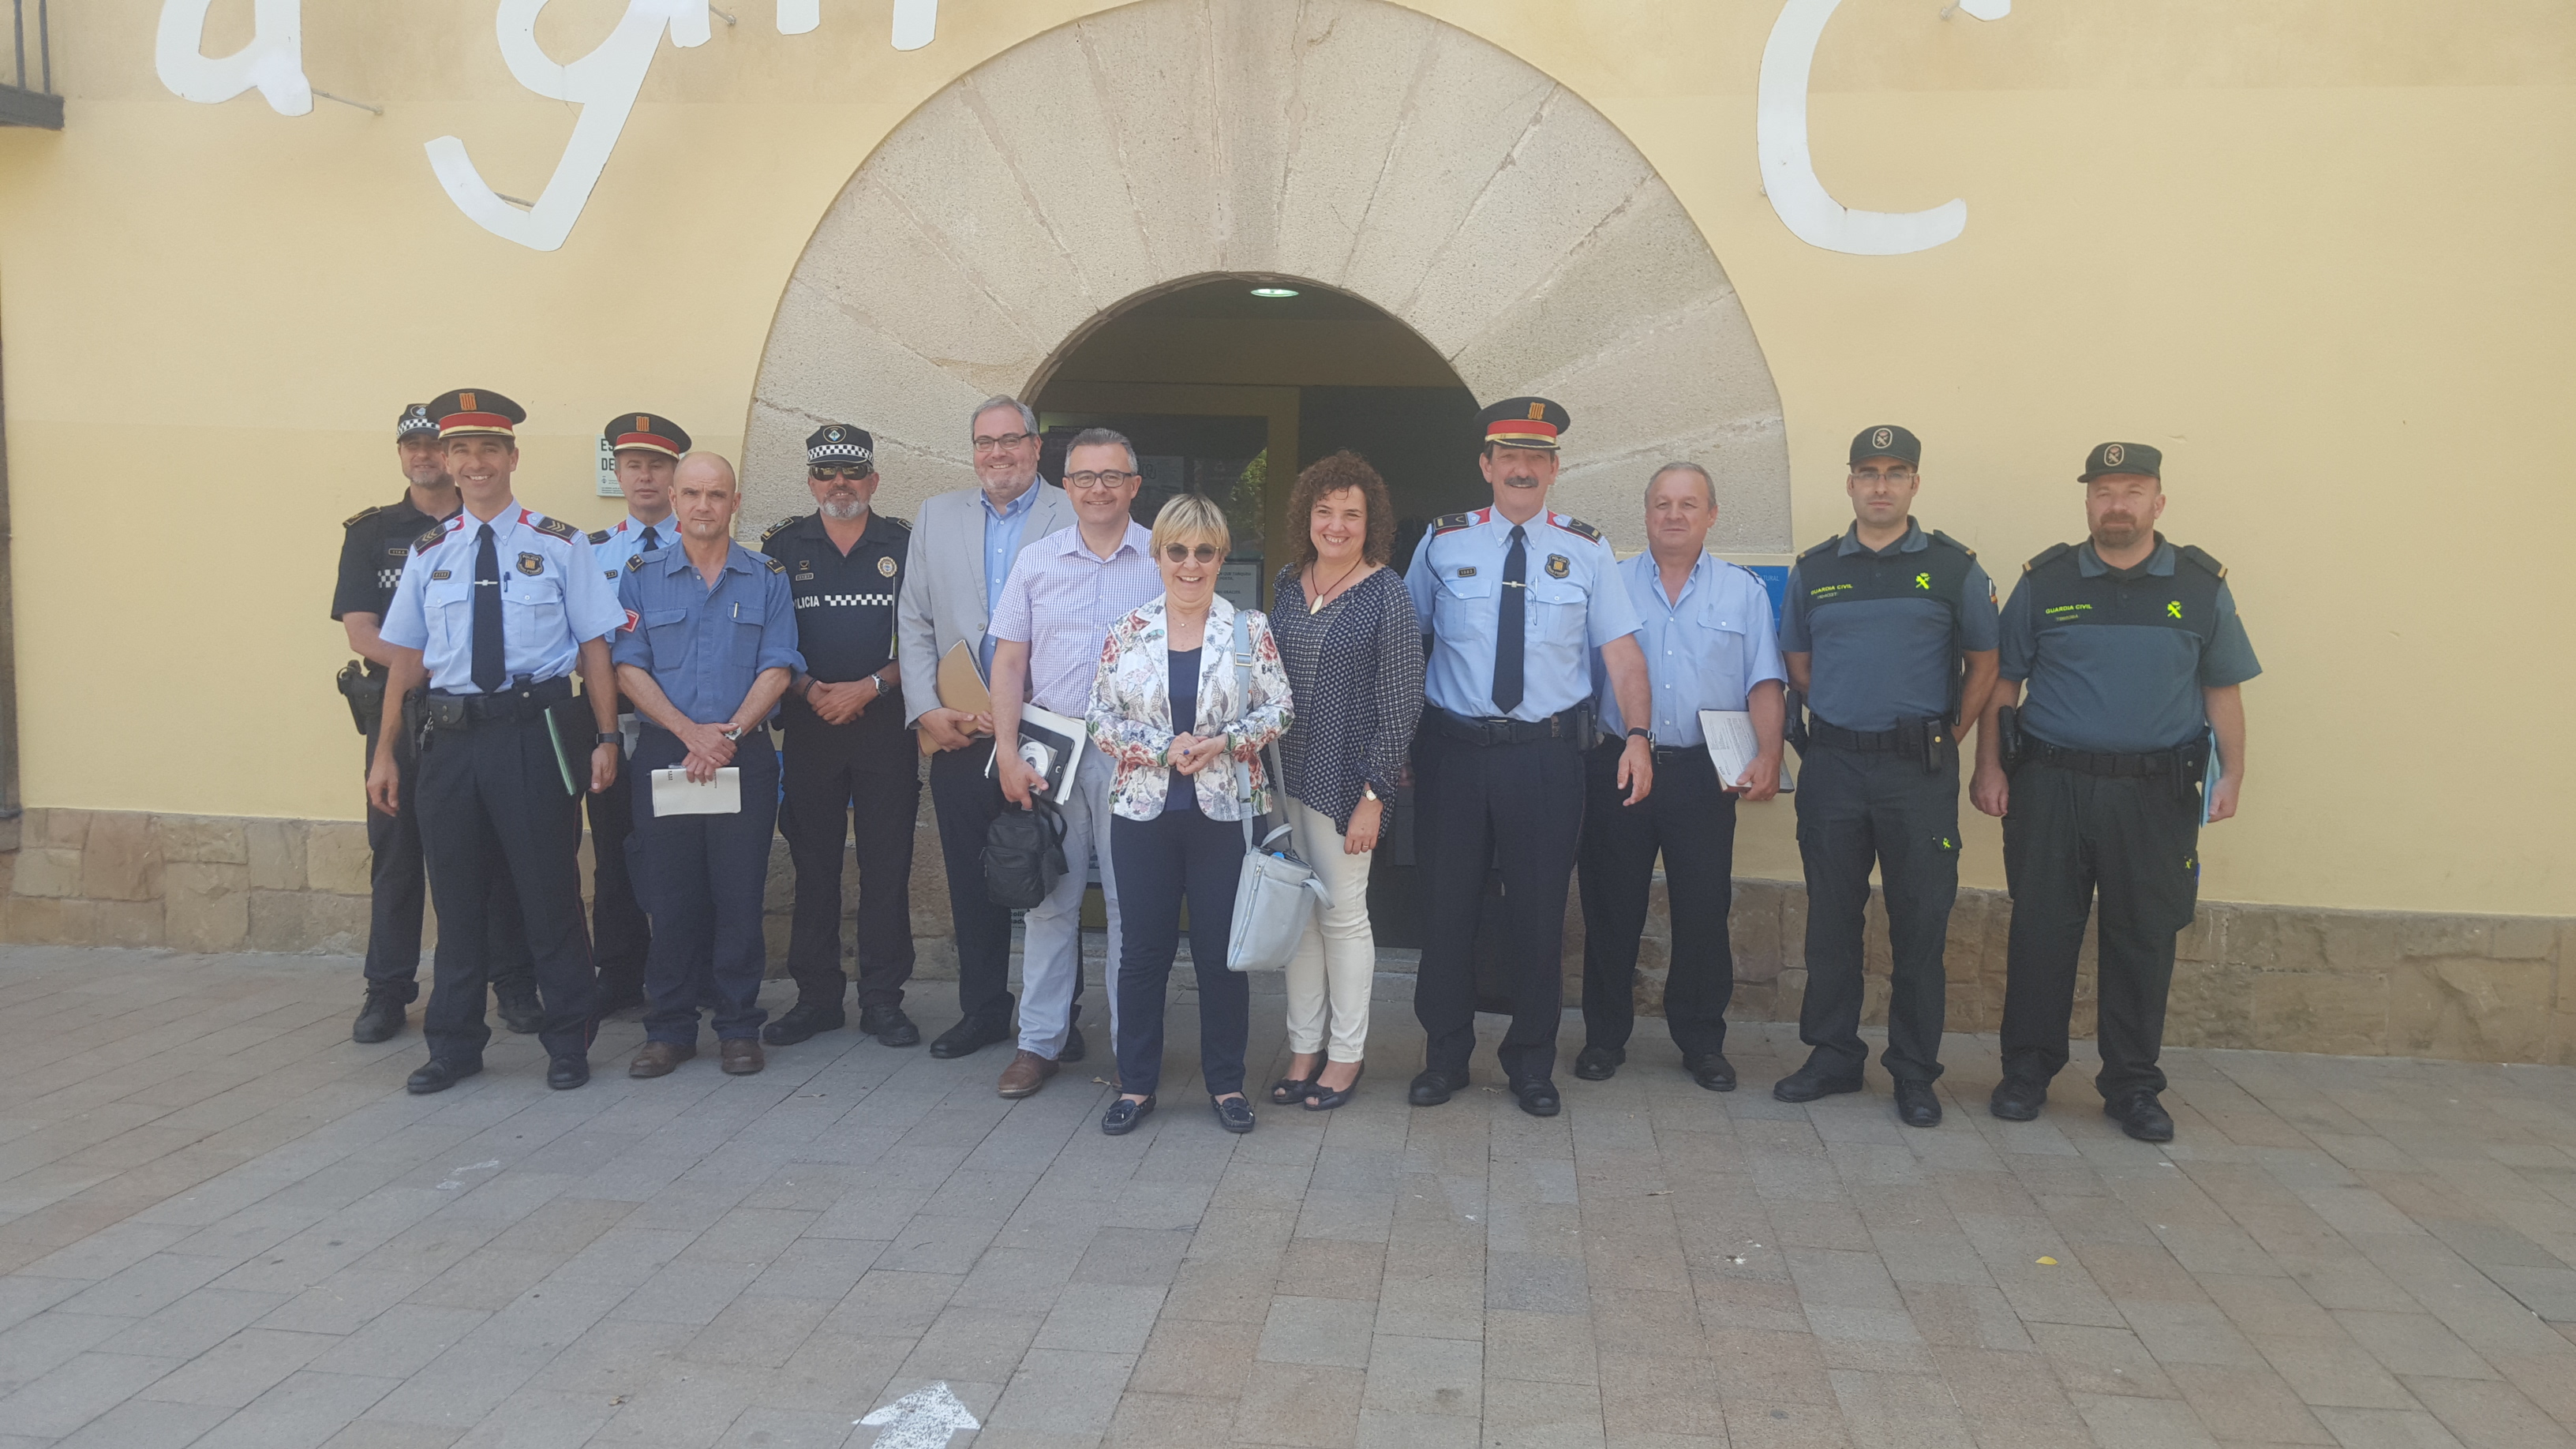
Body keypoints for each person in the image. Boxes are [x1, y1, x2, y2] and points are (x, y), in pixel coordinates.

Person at [1972, 442, 2257, 1143]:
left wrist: (2233, 776)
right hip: (2052, 787)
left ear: (2158, 501)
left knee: (2143, 939)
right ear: (2088, 502)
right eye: (2104, 491)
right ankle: (2027, 1072)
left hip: (2156, 796)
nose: (2117, 504)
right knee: (2042, 931)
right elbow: (2003, 685)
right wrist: (1989, 768)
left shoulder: (2200, 585)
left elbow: (2222, 689)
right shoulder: (2045, 580)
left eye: (2132, 490)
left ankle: (2132, 1085)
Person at [367, 389, 624, 1095]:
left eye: (487, 450)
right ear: (446, 461)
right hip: (449, 744)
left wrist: (606, 737)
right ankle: (454, 1043)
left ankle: (568, 1039)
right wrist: (387, 751)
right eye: (461, 451)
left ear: (512, 457)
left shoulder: (561, 545)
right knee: (456, 899)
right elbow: (407, 660)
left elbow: (595, 649)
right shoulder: (430, 553)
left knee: (550, 894)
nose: (473, 464)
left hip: (532, 735)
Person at [1403, 397, 1655, 1118]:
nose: (1521, 469)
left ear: (1553, 470)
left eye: (1535, 459)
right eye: (1507, 457)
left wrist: (1638, 736)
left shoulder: (1586, 549)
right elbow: (1405, 643)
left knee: (1541, 916)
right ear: (1486, 465)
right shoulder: (1442, 544)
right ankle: (1444, 1057)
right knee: (1448, 911)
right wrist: (1394, 744)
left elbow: (1622, 655)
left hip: (1546, 761)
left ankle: (1530, 1062)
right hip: (1453, 752)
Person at [1773, 426, 2000, 1128]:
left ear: (1914, 485)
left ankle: (1912, 1071)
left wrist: (1949, 735)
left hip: (1917, 771)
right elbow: (1801, 667)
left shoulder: (1953, 568)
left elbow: (1984, 665)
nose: (1880, 485)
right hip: (1834, 767)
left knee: (1920, 923)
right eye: (1867, 473)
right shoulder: (1815, 570)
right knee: (1831, 921)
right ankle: (1833, 1056)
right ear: (1849, 484)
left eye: (1895, 473)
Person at [1574, 462, 1784, 1092]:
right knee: (1611, 909)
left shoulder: (1742, 592)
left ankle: (1701, 1041)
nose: (1674, 514)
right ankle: (1603, 1039)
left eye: (1688, 504)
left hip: (1702, 774)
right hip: (1619, 765)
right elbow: (1579, 680)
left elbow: (1765, 682)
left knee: (1703, 910)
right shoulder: (1608, 584)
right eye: (1662, 503)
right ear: (1646, 513)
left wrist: (1769, 754)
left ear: (1711, 515)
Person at [1086, 493, 1292, 1135]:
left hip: (1225, 814)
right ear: (1159, 554)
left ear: (1221, 556)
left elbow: (1280, 708)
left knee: (1218, 955)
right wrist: (1157, 747)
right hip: (1143, 814)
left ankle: (1226, 1083)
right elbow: (1098, 717)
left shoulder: (1248, 629)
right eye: (1178, 551)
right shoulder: (1127, 630)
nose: (1191, 564)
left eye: (1204, 552)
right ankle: (1137, 1083)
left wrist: (1224, 743)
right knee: (1143, 953)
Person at [333, 404, 540, 1043]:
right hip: (402, 709)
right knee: (397, 855)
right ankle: (387, 990)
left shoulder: (489, 522)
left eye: (433, 444)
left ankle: (511, 983)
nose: (424, 455)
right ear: (404, 455)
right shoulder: (373, 533)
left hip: (478, 718)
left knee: (501, 852)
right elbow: (359, 628)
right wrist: (424, 659)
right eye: (413, 445)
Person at [893, 397, 1077, 1061]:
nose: (997, 454)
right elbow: (913, 620)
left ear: (1035, 446)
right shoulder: (935, 516)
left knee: (1053, 870)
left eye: (1010, 441)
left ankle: (1061, 1015)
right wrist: (924, 708)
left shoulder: (1072, 512)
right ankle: (983, 1010)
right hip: (958, 730)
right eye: (984, 442)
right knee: (973, 877)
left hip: (1047, 731)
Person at [613, 453, 803, 1079]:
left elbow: (779, 664)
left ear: (734, 502)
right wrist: (691, 733)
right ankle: (669, 1029)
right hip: (670, 749)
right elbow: (628, 666)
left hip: (740, 753)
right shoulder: (642, 576)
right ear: (672, 498)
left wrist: (730, 733)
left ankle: (738, 1027)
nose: (703, 505)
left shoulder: (767, 576)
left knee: (738, 895)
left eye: (716, 495)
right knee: (670, 898)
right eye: (691, 493)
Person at [987, 428, 1161, 1099]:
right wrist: (1006, 751)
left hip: (1134, 758)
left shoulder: (1161, 558)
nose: (1098, 489)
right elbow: (1008, 661)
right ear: (1065, 485)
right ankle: (1039, 1044)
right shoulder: (1037, 561)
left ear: (1134, 486)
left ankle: (1132, 1051)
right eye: (1084, 477)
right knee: (1049, 903)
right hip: (1051, 755)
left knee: (1131, 907)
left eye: (1112, 477)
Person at [1264, 452, 1422, 1110]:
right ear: (1307, 515)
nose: (1336, 525)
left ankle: (1347, 1057)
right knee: (1297, 919)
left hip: (1345, 786)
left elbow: (1403, 701)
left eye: (1351, 514)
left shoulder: (1387, 593)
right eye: (1325, 511)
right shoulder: (1284, 583)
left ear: (1370, 522)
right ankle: (1304, 1048)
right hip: (1282, 780)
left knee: (1344, 918)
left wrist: (1374, 798)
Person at [760, 425, 921, 1050]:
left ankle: (883, 1000)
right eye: (826, 473)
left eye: (852, 473)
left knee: (888, 867)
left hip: (885, 728)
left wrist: (871, 687)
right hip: (809, 729)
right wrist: (807, 690)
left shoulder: (906, 544)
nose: (839, 484)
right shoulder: (780, 546)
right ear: (811, 482)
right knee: (813, 866)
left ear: (873, 481)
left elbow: (928, 636)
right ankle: (817, 998)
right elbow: (769, 637)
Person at [575, 412, 687, 1013]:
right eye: (634, 464)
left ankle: (687, 971)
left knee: (682, 852)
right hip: (610, 725)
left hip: (679, 727)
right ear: (616, 471)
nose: (645, 477)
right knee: (614, 851)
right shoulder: (587, 554)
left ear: (675, 475)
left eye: (658, 465)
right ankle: (618, 972)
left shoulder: (699, 543)